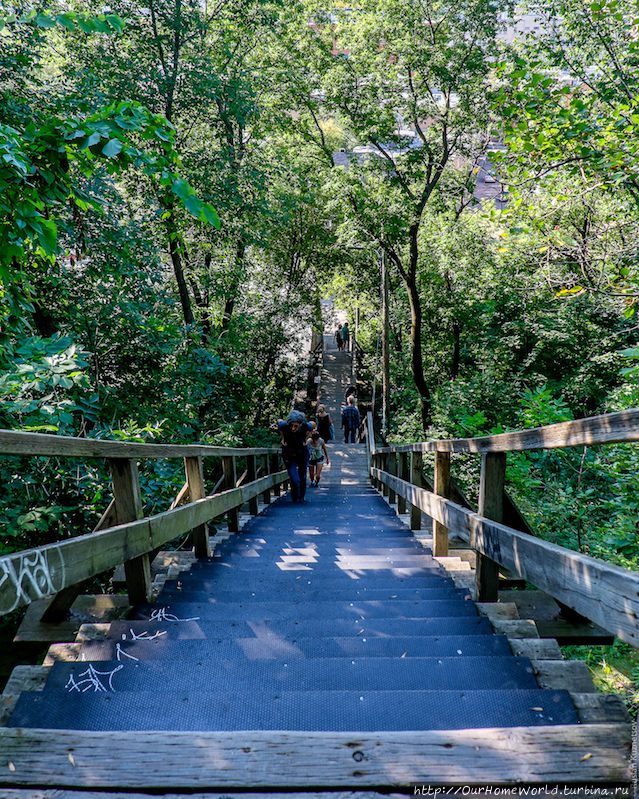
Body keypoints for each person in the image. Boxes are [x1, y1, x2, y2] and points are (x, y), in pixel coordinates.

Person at [277, 410, 312, 502]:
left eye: (296, 426)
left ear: (300, 424)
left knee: (302, 475)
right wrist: (283, 438)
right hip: (290, 453)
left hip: (302, 453)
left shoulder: (305, 426)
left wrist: (306, 439)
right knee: (294, 478)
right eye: (291, 426)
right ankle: (294, 497)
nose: (293, 428)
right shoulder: (285, 425)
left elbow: (312, 425)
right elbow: (279, 422)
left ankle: (301, 496)